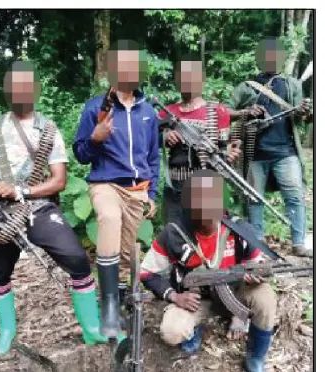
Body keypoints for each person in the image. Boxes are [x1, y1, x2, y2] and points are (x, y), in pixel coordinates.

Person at [0, 61, 109, 355]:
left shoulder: (48, 130)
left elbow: (59, 181)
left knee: (77, 259)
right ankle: (7, 331)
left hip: (37, 206)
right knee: (0, 273)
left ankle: (92, 330)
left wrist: (21, 190)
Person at [138, 170, 280, 372]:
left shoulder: (238, 228)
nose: (210, 217)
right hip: (194, 301)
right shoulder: (173, 234)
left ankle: (255, 361)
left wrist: (257, 273)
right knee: (172, 331)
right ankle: (196, 328)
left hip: (234, 294)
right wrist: (174, 297)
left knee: (265, 297)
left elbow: (259, 262)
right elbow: (145, 273)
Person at [73, 41, 161, 338]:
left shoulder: (148, 111)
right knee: (109, 219)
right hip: (105, 183)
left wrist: (152, 193)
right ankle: (108, 305)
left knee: (127, 250)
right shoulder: (94, 108)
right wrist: (96, 138)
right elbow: (82, 155)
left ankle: (122, 301)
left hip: (138, 189)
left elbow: (153, 157)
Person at [229, 37, 313, 257]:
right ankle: (257, 245)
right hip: (255, 154)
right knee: (254, 199)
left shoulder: (292, 84)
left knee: (294, 195)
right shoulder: (247, 87)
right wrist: (247, 112)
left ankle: (298, 243)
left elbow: (302, 117)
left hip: (286, 152)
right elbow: (225, 112)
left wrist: (304, 111)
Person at [160, 59, 242, 226]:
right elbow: (150, 142)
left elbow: (223, 149)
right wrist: (165, 136)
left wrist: (230, 153)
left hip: (207, 187)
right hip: (176, 186)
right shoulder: (166, 112)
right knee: (175, 234)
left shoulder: (218, 112)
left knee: (206, 237)